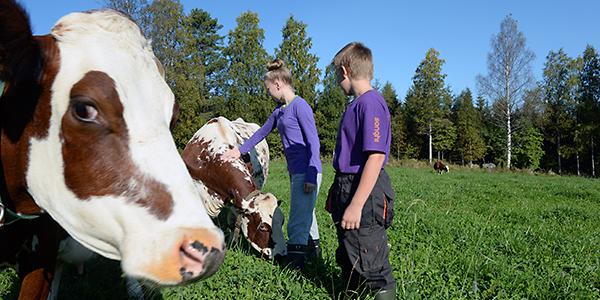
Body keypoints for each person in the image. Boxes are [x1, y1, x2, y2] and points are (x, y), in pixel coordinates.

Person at [221, 59, 322, 269]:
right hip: (296, 172)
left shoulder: (300, 106)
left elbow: (314, 141)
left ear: (278, 84)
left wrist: (311, 175)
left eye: (269, 89)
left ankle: (295, 264)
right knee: (307, 214)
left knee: (297, 219)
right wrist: (238, 151)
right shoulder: (280, 111)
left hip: (307, 170)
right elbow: (260, 133)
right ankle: (314, 255)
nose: (268, 93)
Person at [326, 42, 396, 300]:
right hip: (347, 184)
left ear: (345, 71)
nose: (337, 82)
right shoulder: (356, 104)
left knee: (371, 260)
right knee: (349, 254)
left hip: (364, 189)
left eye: (336, 76)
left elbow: (375, 157)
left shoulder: (371, 103)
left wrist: (356, 203)